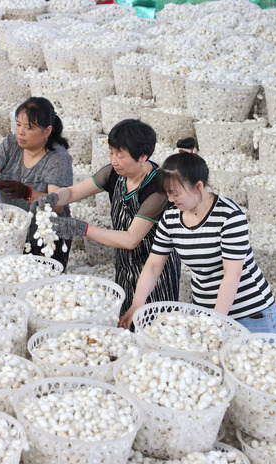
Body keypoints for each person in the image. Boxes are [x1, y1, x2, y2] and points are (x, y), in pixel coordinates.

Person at [118, 138, 276, 333]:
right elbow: (153, 266)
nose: (171, 199)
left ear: (198, 187)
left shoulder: (229, 215)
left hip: (250, 315)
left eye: (176, 194)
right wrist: (137, 304)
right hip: (207, 314)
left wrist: (216, 322)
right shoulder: (171, 218)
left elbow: (232, 274)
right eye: (167, 193)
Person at [33, 119, 181, 316]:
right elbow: (74, 192)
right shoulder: (113, 173)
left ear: (143, 157)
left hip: (155, 270)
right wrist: (54, 197)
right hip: (125, 265)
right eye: (111, 152)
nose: (114, 160)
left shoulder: (157, 189)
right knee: (124, 318)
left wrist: (83, 228)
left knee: (152, 321)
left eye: (120, 155)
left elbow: (131, 239)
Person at [0, 97, 73, 268]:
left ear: (47, 131)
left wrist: (27, 193)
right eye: (18, 125)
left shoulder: (58, 159)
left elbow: (58, 205)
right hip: (14, 231)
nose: (21, 132)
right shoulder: (11, 144)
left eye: (29, 127)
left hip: (47, 236)